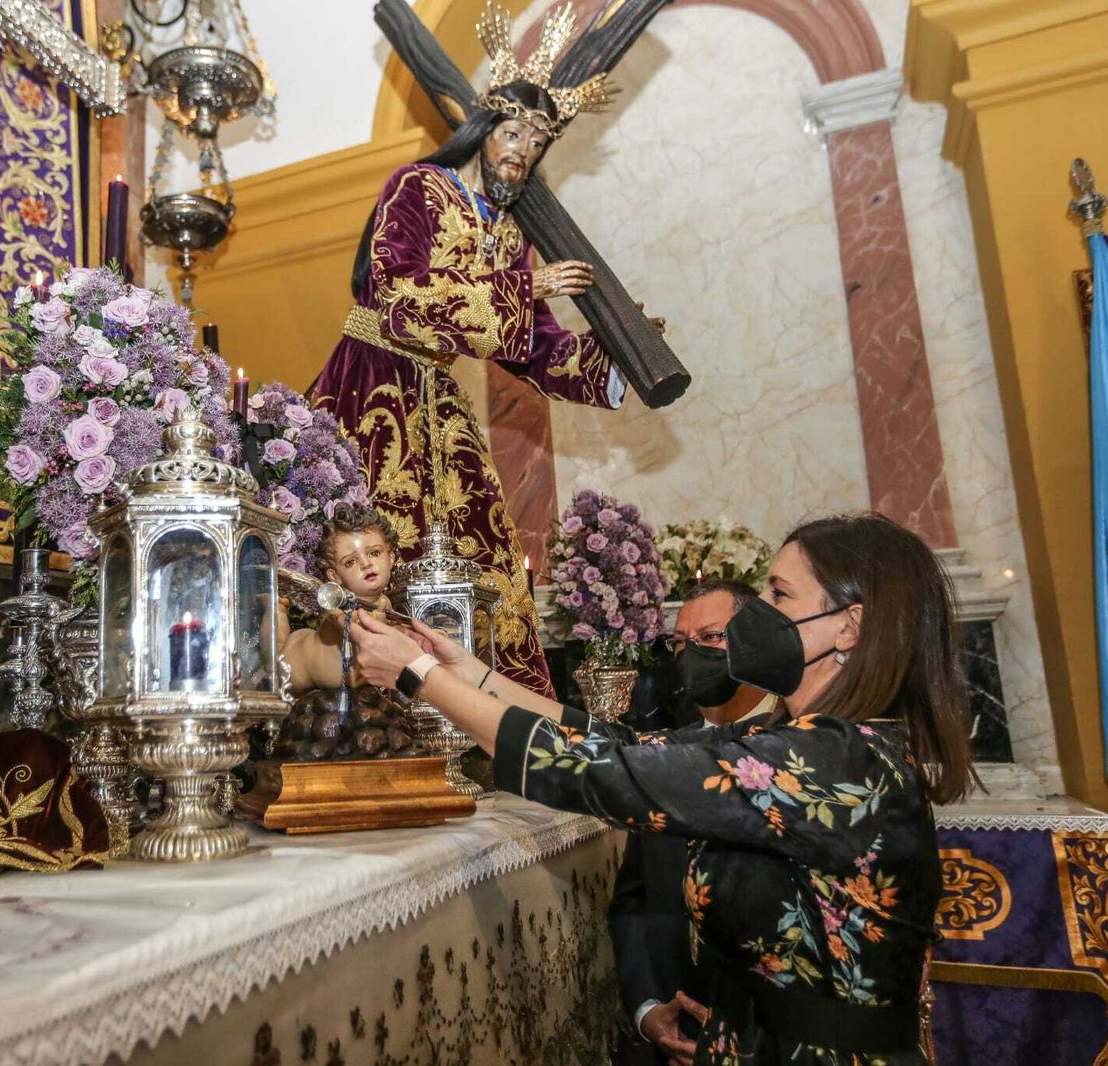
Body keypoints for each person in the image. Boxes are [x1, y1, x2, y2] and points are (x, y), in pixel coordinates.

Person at [351, 513, 976, 1064]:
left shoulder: (838, 760)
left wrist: (420, 678)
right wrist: (471, 674)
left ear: (849, 627)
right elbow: (619, 743)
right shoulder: (792, 739)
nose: (756, 612)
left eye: (778, 593)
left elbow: (607, 771)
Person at [307, 4, 619, 698]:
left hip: (440, 401)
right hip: (374, 381)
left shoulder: (509, 233)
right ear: (483, 130)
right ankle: (367, 702)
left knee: (485, 548)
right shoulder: (418, 187)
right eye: (513, 133)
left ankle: (484, 711)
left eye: (537, 143)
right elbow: (398, 294)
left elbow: (533, 344)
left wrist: (614, 359)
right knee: (370, 541)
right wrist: (527, 286)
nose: (522, 151)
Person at [615, 580, 775, 1066]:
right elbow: (634, 899)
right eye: (681, 644)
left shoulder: (796, 742)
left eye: (710, 638)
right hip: (675, 1031)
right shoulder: (661, 754)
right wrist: (648, 1010)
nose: (692, 655)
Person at [281, 504, 400, 694]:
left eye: (374, 553)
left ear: (391, 558)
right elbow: (336, 619)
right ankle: (278, 610)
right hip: (296, 667)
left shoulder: (385, 602)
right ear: (334, 575)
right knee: (276, 656)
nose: (366, 564)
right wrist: (353, 621)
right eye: (350, 562)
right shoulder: (336, 602)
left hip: (354, 682)